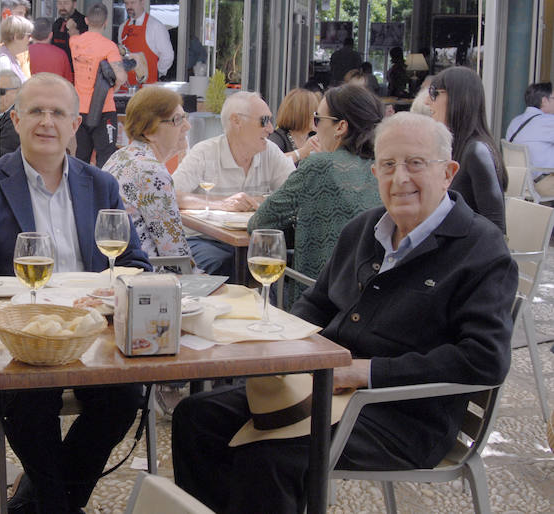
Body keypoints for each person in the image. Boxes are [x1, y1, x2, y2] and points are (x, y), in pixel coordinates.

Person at [172, 112, 518, 514]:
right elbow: (315, 304)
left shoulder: (480, 249)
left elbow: (486, 360)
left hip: (405, 414)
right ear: (375, 171)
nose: (400, 177)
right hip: (322, 390)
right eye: (388, 165)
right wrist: (286, 351)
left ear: (448, 172)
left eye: (415, 163)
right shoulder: (365, 229)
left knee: (269, 456)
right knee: (196, 416)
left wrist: (366, 371)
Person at [0, 73, 150, 514]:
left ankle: (38, 504)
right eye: (36, 111)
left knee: (124, 398)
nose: (46, 122)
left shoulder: (101, 185)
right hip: (21, 343)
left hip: (92, 338)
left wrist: (109, 295)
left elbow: (135, 264)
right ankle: (54, 505)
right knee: (32, 404)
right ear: (16, 119)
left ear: (75, 124)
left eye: (57, 113)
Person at [251, 84, 384, 302]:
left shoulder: (319, 165)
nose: (314, 128)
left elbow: (258, 224)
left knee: (254, 289)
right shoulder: (387, 169)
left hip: (319, 296)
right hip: (373, 298)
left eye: (317, 120)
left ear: (340, 127)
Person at [173, 92, 295, 276]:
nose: (270, 128)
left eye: (271, 121)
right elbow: (170, 194)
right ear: (236, 121)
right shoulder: (205, 153)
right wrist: (221, 204)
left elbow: (295, 193)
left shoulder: (270, 151)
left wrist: (260, 200)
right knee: (223, 263)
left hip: (255, 241)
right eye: (264, 120)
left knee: (285, 260)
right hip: (205, 239)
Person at [102, 86, 193, 262]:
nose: (187, 126)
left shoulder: (122, 155)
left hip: (120, 268)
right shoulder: (152, 172)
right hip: (148, 276)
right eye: (177, 120)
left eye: (185, 117)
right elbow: (176, 255)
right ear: (149, 131)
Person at [427, 66, 506, 232]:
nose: (428, 101)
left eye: (435, 93)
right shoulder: (457, 147)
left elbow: (495, 223)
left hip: (468, 252)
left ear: (457, 98)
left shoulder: (476, 150)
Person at [68, 2, 127, 168]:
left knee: (82, 154)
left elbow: (72, 33)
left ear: (86, 20)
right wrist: (113, 88)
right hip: (104, 108)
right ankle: (103, 192)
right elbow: (121, 76)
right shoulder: (109, 46)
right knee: (106, 155)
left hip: (80, 108)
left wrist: (72, 26)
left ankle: (80, 191)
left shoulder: (74, 43)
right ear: (106, 22)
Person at [505, 81, 554, 196]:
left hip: (520, 184)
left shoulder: (514, 122)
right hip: (543, 184)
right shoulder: (549, 121)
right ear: (544, 101)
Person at [118, 0, 174, 85]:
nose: (129, 6)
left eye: (133, 3)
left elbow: (168, 55)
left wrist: (157, 72)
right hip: (125, 88)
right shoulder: (123, 27)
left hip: (148, 87)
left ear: (142, 3)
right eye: (126, 3)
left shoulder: (155, 26)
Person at [268, 87, 321, 166]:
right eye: (315, 114)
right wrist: (302, 152)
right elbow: (269, 162)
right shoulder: (277, 138)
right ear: (302, 114)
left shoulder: (313, 137)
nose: (318, 117)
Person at [51, 0, 87, 71]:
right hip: (58, 69)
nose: (62, 6)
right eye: (59, 3)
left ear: (74, 4)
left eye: (66, 3)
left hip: (76, 71)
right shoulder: (56, 24)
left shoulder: (84, 22)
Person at [29, 17, 73, 82]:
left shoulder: (23, 53)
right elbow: (68, 82)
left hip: (29, 91)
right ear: (51, 35)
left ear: (31, 35)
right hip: (56, 91)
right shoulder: (61, 54)